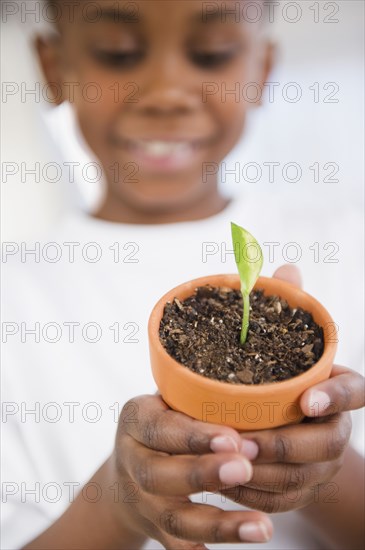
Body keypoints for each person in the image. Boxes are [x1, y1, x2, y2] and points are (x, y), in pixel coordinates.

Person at [2, 1, 364, 549]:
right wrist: (121, 506)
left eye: (211, 53)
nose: (167, 93)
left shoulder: (347, 245)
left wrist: (325, 470)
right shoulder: (17, 296)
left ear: (262, 72)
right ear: (54, 69)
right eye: (117, 54)